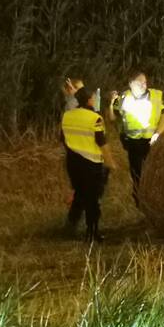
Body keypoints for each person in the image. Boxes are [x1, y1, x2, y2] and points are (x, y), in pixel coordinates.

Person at [106, 71, 164, 206]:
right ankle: (140, 203)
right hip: (132, 143)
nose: (143, 85)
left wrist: (157, 134)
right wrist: (111, 103)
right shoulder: (124, 98)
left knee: (152, 173)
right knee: (137, 175)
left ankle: (154, 202)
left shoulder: (155, 97)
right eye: (139, 82)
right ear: (131, 84)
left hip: (151, 142)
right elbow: (112, 118)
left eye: (145, 82)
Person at [61, 86, 115, 242]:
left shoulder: (67, 116)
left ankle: (70, 226)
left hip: (72, 163)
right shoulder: (95, 118)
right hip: (91, 165)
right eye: (94, 97)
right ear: (90, 100)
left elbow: (63, 139)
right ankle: (92, 233)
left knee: (79, 194)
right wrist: (110, 162)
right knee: (93, 200)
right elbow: (101, 142)